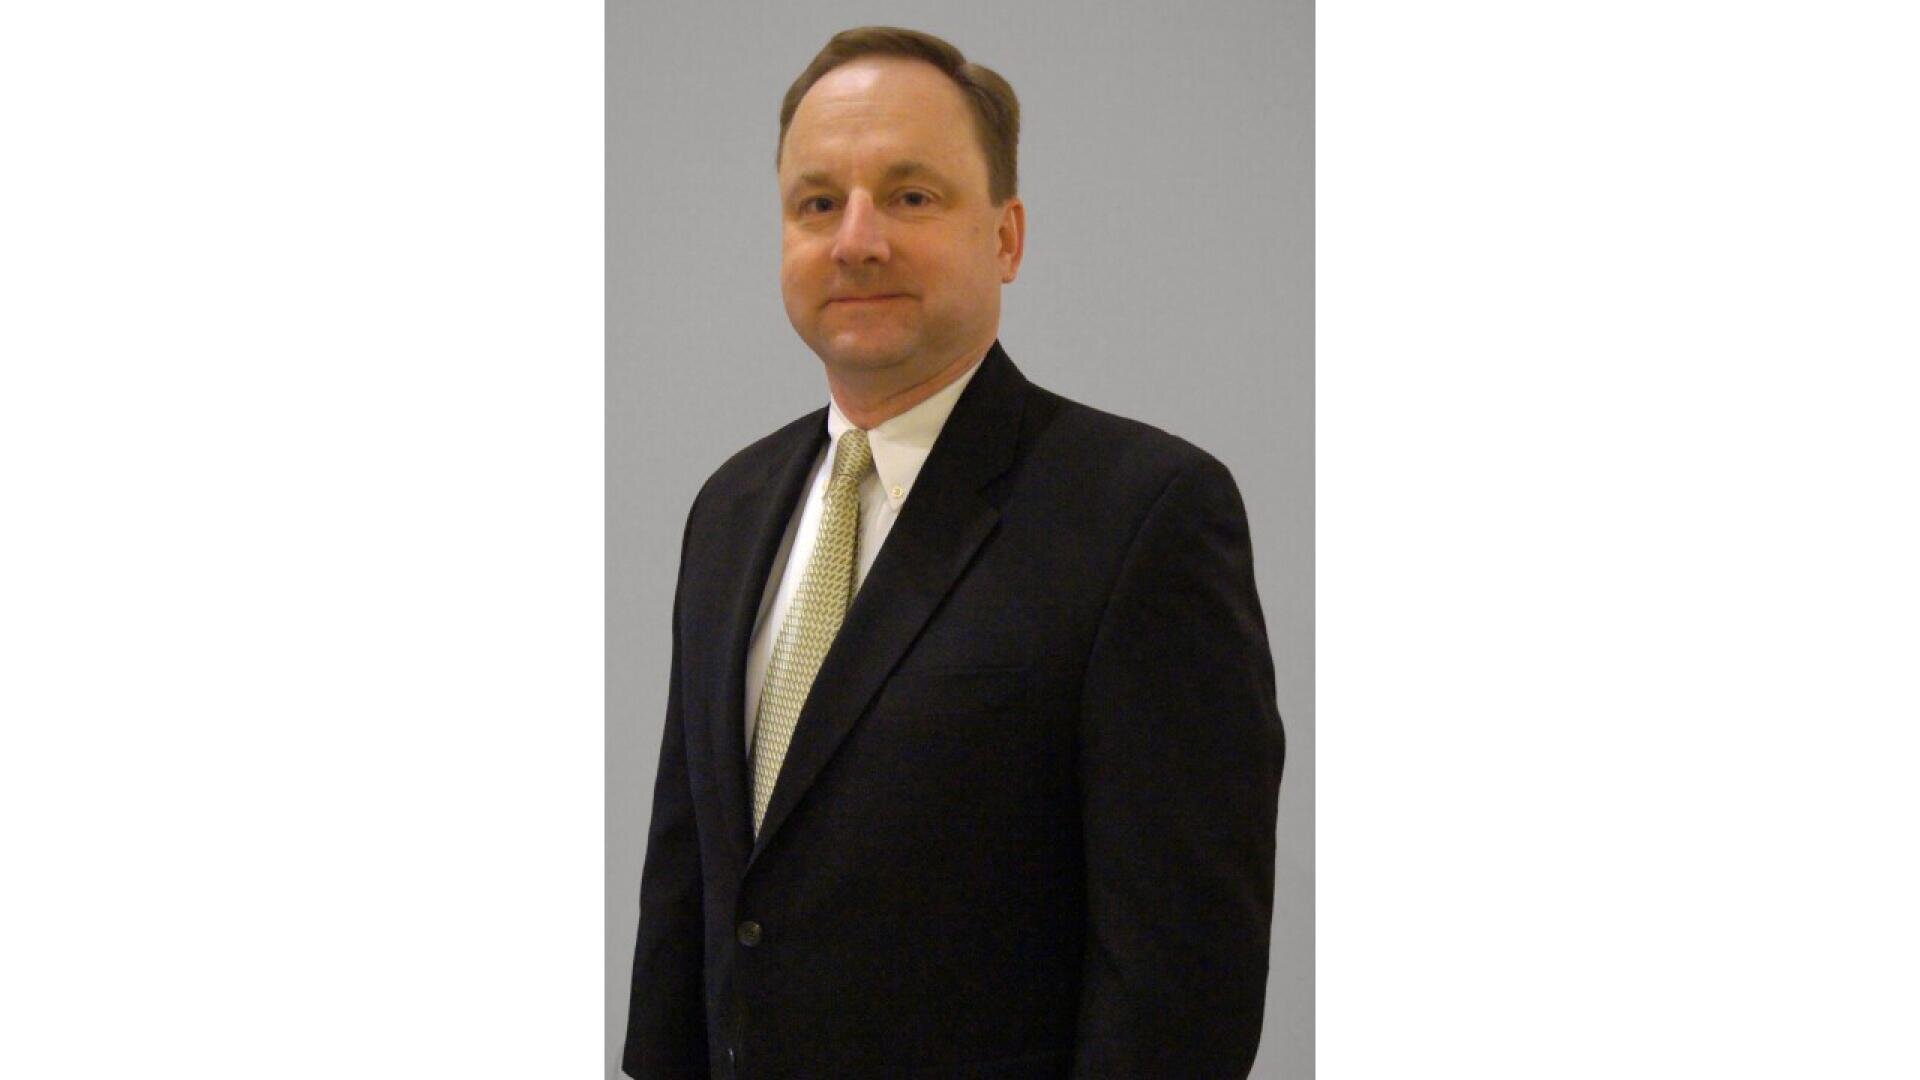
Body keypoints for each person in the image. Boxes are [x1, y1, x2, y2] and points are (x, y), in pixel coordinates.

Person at [623, 26, 1285, 1080]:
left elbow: (1180, 987)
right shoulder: (731, 509)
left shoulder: (1143, 515)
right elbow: (688, 894)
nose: (857, 240)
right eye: (817, 203)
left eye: (912, 196)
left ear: (1007, 237)